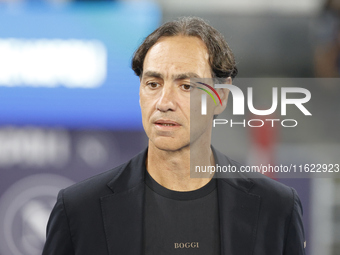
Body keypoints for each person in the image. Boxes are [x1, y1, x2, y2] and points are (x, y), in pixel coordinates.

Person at [42, 17, 306, 255]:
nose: (164, 102)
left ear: (221, 96)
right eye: (153, 84)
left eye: (186, 85)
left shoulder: (277, 208)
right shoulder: (79, 210)